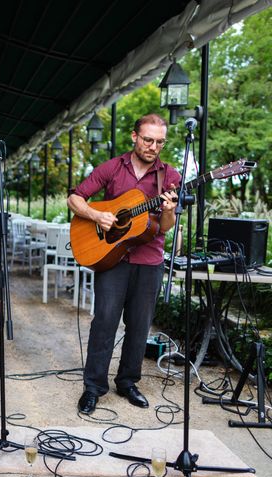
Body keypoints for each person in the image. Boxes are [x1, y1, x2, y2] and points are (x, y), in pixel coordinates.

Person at [67, 113, 181, 414]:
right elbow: (75, 198)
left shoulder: (169, 176)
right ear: (134, 137)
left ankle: (128, 382)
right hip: (112, 258)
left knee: (139, 326)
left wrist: (168, 211)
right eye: (147, 140)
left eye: (159, 142)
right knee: (104, 321)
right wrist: (97, 216)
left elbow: (165, 225)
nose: (153, 146)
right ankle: (93, 388)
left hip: (149, 259)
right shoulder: (112, 167)